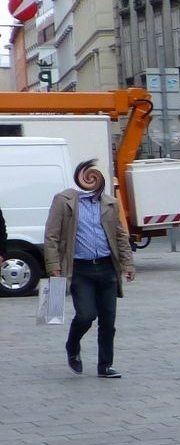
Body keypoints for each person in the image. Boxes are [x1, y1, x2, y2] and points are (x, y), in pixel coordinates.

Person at [43, 159, 135, 378]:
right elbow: (51, 235)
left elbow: (120, 235)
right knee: (86, 315)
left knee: (108, 321)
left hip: (106, 268)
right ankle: (72, 345)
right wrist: (53, 266)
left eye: (94, 177)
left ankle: (105, 365)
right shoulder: (64, 201)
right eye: (87, 176)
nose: (91, 180)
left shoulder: (109, 203)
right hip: (80, 269)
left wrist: (128, 264)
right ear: (80, 177)